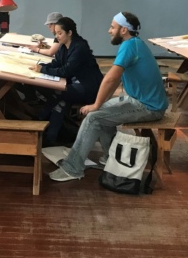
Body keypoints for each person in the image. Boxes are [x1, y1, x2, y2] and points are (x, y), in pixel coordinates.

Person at [49, 11, 168, 182]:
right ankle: (111, 158)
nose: (109, 31)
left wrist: (96, 105)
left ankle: (72, 168)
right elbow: (115, 79)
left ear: (124, 30)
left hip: (148, 106)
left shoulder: (129, 46)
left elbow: (110, 78)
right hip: (141, 101)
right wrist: (101, 103)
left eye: (113, 27)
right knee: (102, 111)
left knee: (93, 118)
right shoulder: (133, 44)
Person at [29, 17, 104, 146]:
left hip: (89, 87)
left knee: (58, 94)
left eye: (60, 33)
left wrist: (43, 70)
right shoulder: (64, 46)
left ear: (69, 33)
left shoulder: (80, 46)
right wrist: (41, 66)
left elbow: (65, 71)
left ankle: (40, 122)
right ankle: (49, 135)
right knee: (61, 101)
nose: (57, 36)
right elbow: (56, 63)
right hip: (77, 83)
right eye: (56, 33)